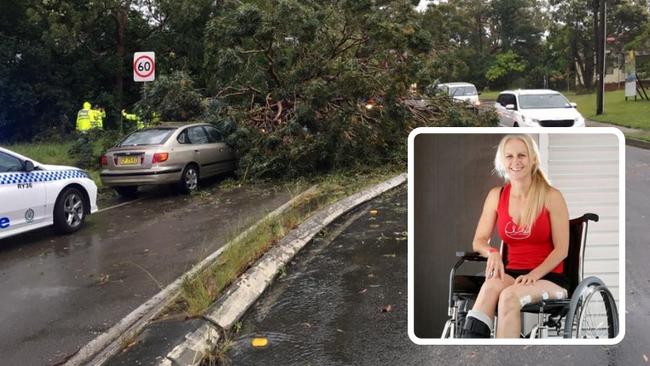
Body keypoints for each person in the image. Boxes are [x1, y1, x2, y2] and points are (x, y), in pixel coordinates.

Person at [462, 134, 570, 338]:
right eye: (509, 156)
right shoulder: (497, 195)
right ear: (502, 161)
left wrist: (533, 275)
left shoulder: (551, 196)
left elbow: (562, 249)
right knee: (490, 286)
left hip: (549, 278)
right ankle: (473, 346)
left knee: (509, 296)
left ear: (533, 159)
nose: (515, 162)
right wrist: (492, 252)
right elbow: (479, 240)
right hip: (513, 274)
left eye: (522, 155)